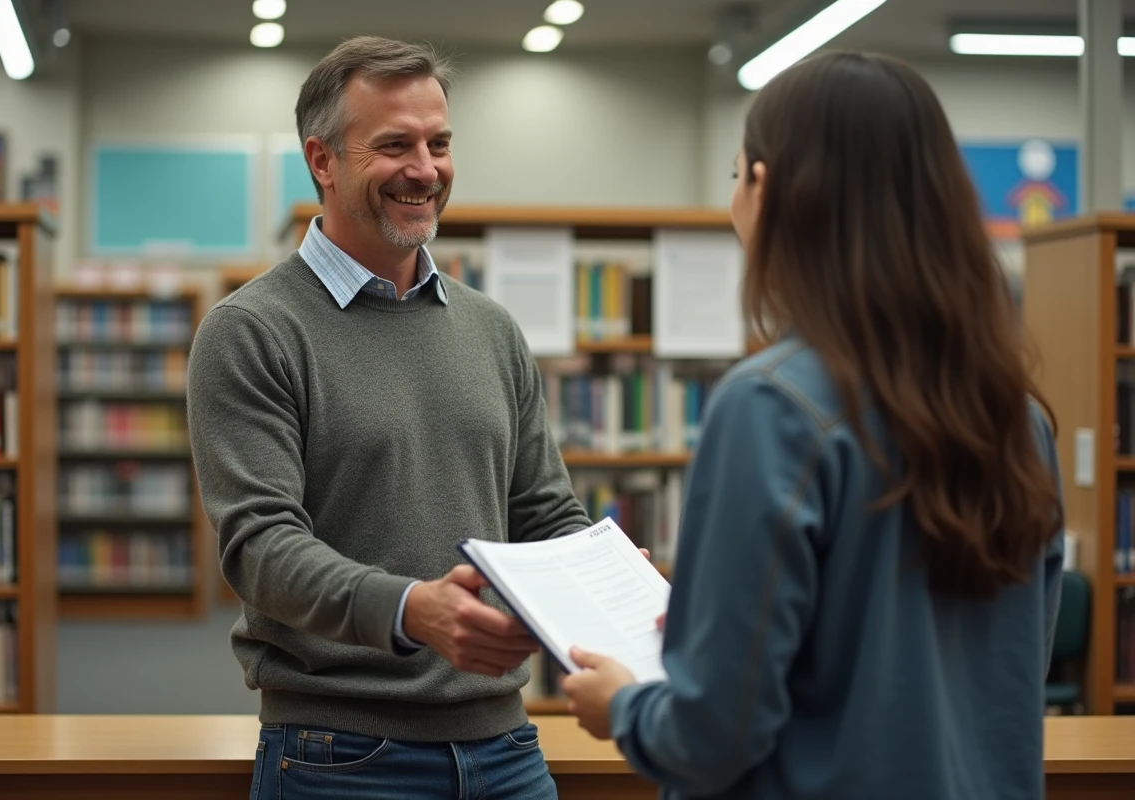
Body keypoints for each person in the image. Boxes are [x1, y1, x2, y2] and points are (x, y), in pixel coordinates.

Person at [561, 51, 1066, 800]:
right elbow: (1003, 667)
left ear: (765, 188)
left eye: (736, 176)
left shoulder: (769, 407)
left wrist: (625, 706)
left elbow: (712, 738)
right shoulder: (1019, 420)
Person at [186, 35, 593, 799]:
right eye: (395, 145)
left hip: (505, 745)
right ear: (323, 162)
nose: (426, 170)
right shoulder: (252, 331)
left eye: (439, 143)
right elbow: (261, 547)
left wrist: (598, 576)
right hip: (339, 756)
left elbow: (543, 510)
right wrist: (412, 610)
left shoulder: (490, 328)